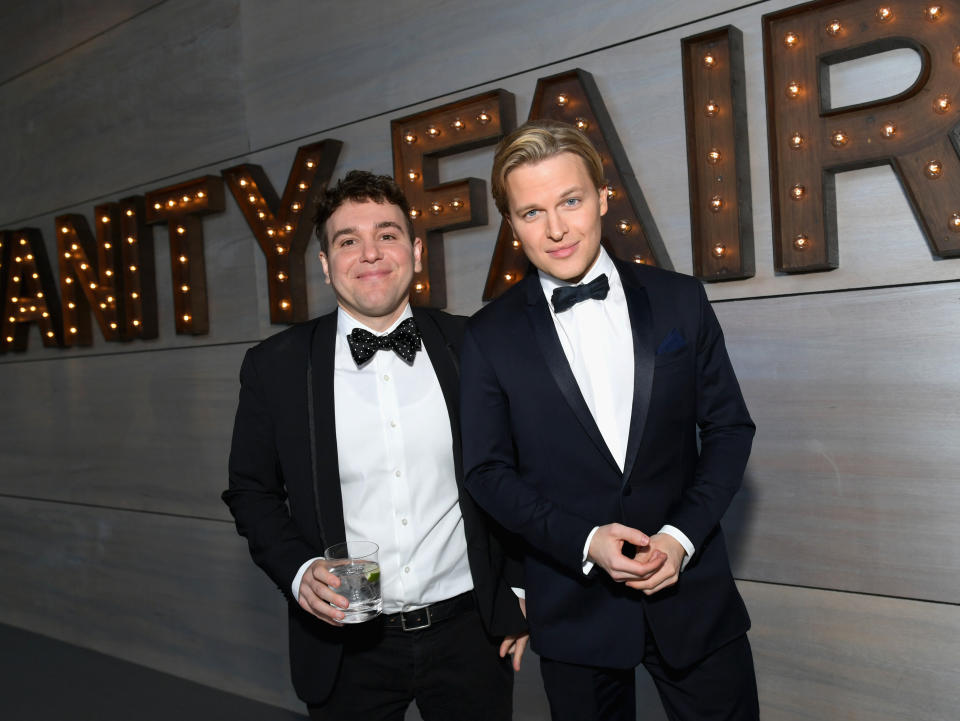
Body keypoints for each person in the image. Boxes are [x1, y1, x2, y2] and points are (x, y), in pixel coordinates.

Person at [460, 121, 759, 721]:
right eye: (531, 213)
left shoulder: (681, 299)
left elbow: (729, 430)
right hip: (574, 611)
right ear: (511, 224)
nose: (556, 229)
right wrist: (586, 541)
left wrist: (680, 539)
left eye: (570, 201)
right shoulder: (487, 335)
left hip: (693, 599)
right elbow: (488, 473)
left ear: (602, 196)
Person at [223, 170, 527, 721]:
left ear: (414, 251)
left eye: (387, 234)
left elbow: (519, 471)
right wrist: (298, 570)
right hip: (345, 638)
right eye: (348, 240)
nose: (370, 253)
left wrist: (521, 593)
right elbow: (251, 491)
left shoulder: (472, 344)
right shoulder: (276, 366)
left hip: (470, 631)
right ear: (324, 263)